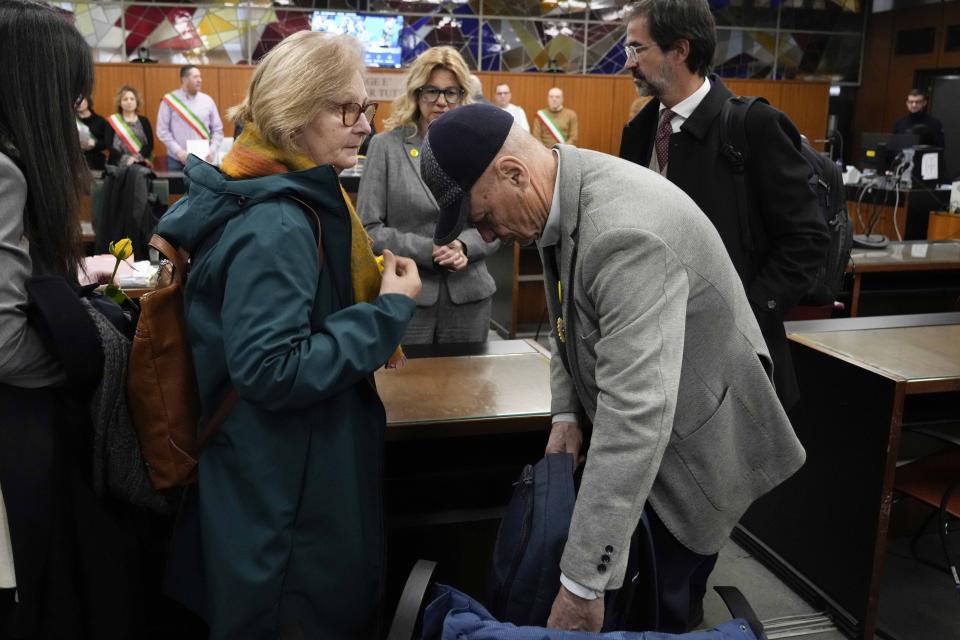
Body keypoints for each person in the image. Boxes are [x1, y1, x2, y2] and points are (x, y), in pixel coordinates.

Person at [419, 102, 806, 633]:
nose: (485, 235)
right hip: (649, 440)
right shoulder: (555, 195)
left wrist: (583, 585)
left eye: (483, 217)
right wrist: (565, 419)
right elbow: (568, 321)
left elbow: (636, 416)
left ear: (513, 173)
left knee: (661, 611)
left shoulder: (625, 233)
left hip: (693, 459)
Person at [158, 31, 420, 639]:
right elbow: (271, 367)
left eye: (367, 109)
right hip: (287, 506)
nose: (363, 126)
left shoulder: (260, 192)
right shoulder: (279, 220)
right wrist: (386, 314)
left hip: (271, 483)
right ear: (295, 114)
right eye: (346, 109)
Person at [1, 1, 149, 636]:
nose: (76, 114)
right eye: (70, 97)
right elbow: (5, 344)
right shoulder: (6, 171)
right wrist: (85, 366)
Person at [619, 0, 828, 411]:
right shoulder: (639, 131)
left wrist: (749, 312)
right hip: (656, 349)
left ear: (680, 50)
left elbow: (806, 239)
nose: (628, 63)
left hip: (736, 359)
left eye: (637, 49)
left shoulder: (754, 126)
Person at [357, 46, 499, 344]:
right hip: (409, 296)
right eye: (431, 91)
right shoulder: (385, 146)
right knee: (408, 390)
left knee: (468, 389)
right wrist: (428, 249)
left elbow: (499, 223)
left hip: (470, 296)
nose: (441, 102)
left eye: (451, 93)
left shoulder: (482, 148)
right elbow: (368, 230)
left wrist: (463, 245)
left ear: (463, 96)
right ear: (416, 93)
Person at [156, 64, 224, 171]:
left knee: (202, 188)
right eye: (195, 77)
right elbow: (162, 131)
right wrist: (178, 151)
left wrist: (212, 150)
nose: (200, 80)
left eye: (200, 77)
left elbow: (218, 130)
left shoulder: (208, 101)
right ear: (184, 79)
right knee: (177, 188)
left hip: (203, 160)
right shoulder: (169, 101)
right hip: (177, 160)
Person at [106, 84, 154, 166]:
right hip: (117, 165)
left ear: (137, 102)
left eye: (132, 99)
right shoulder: (113, 121)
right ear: (120, 102)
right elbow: (109, 145)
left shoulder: (144, 121)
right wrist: (127, 159)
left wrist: (136, 159)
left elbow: (149, 145)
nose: (129, 102)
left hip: (139, 164)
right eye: (125, 99)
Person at [75, 95, 109, 170]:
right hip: (75, 160)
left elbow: (107, 142)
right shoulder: (71, 121)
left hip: (95, 161)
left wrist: (95, 143)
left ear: (88, 101)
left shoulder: (100, 121)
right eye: (76, 100)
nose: (78, 103)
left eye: (81, 100)